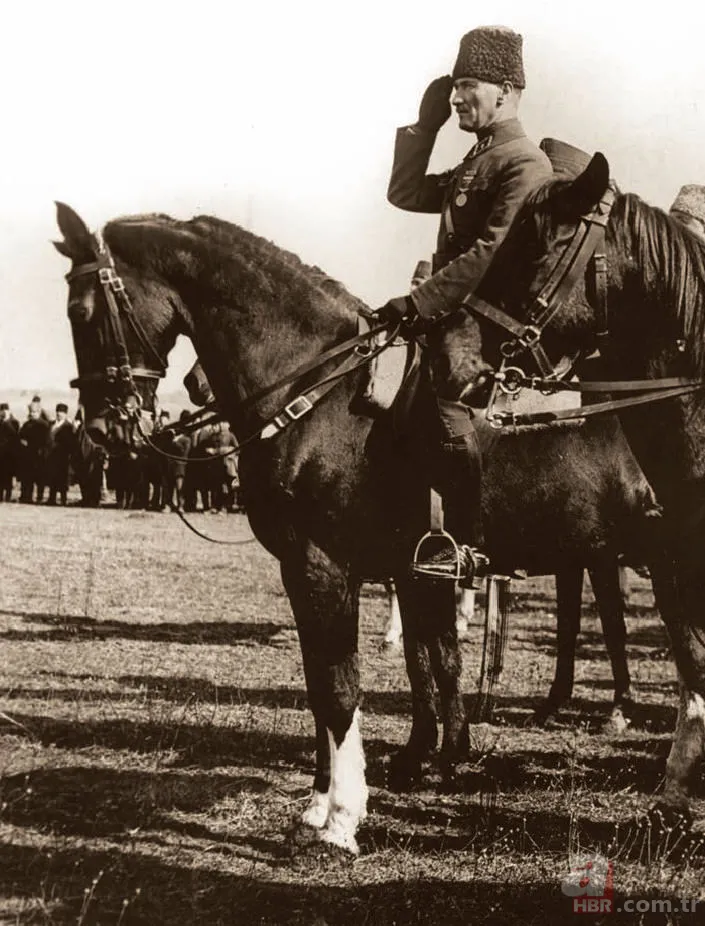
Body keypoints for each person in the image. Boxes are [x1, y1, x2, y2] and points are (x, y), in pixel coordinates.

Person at [376, 25, 552, 581]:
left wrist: (417, 302)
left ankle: (472, 542)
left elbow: (487, 253)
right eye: (453, 86)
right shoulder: (480, 161)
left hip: (492, 327)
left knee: (447, 401)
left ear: (505, 90)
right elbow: (404, 193)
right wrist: (424, 128)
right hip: (453, 319)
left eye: (466, 85)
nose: (456, 98)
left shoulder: (524, 164)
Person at [46, 402, 75, 505]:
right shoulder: (51, 424)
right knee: (52, 477)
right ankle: (51, 499)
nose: (59, 414)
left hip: (62, 457)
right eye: (58, 412)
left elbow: (71, 443)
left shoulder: (68, 426)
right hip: (51, 456)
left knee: (62, 479)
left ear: (66, 414)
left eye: (62, 412)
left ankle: (63, 500)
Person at [0, 402, 19, 502]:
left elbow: (14, 435)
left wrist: (6, 422)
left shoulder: (14, 422)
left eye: (5, 410)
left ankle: (8, 496)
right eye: (1, 411)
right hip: (1, 454)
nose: (3, 412)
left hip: (10, 454)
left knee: (8, 476)